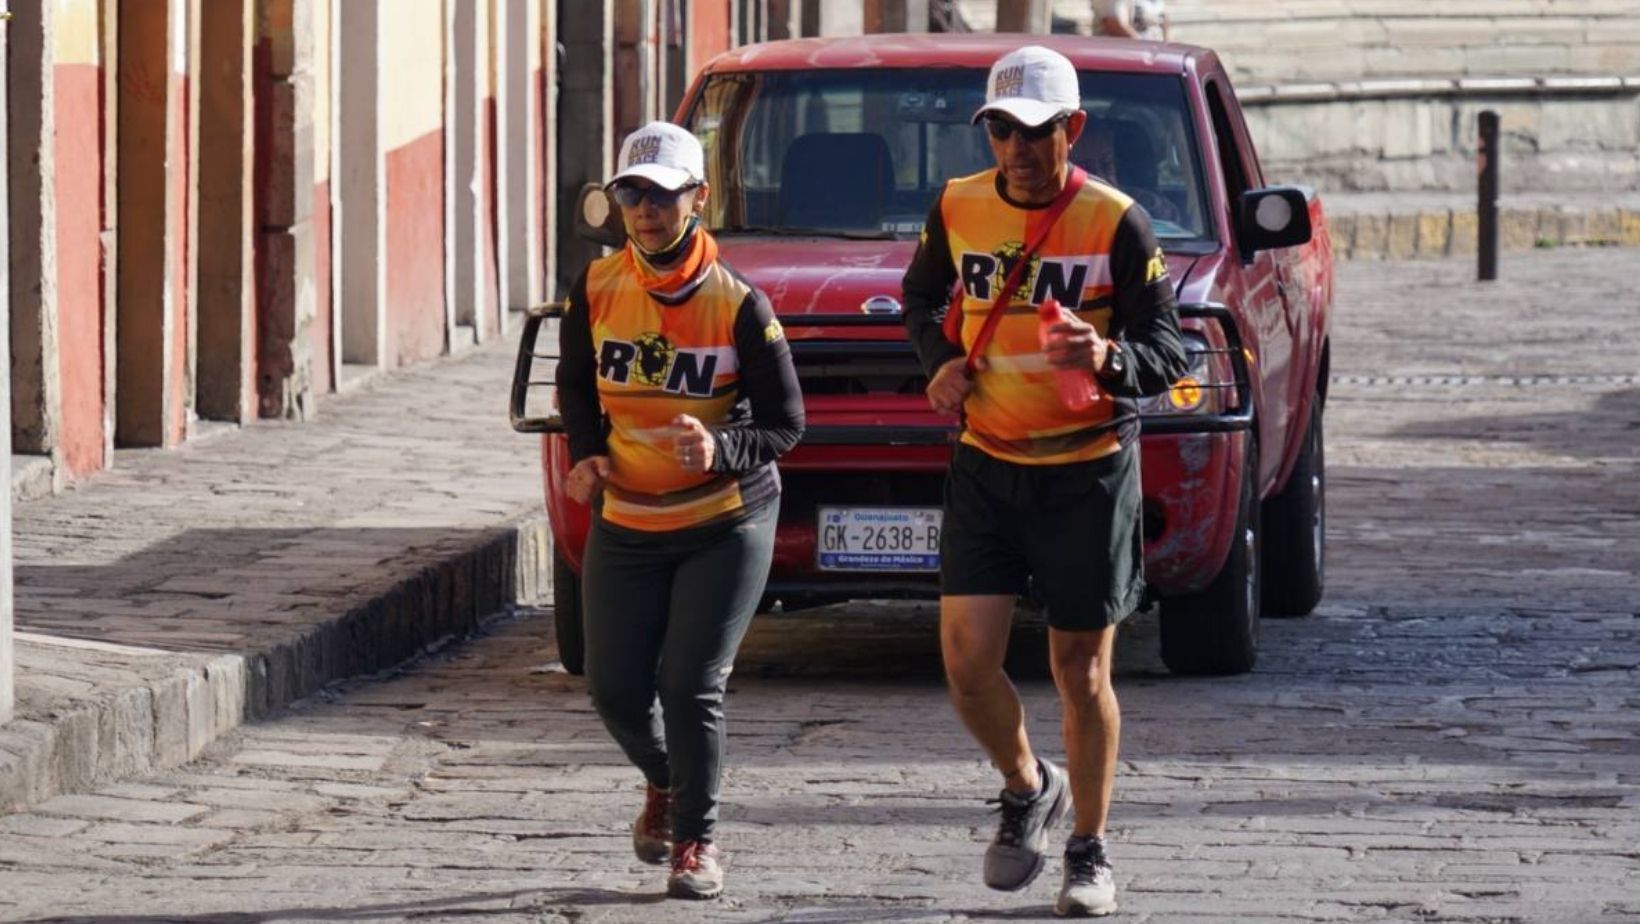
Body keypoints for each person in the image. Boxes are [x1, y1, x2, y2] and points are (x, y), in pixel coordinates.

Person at [900, 45, 1187, 917]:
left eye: (1036, 132)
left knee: (1079, 671)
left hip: (1087, 473)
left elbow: (1169, 350)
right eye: (1001, 130)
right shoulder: (956, 206)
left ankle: (1090, 852)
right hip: (988, 462)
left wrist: (1107, 355)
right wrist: (940, 362)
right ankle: (1028, 784)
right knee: (964, 662)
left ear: (1073, 130)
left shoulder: (1117, 222)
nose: (1018, 149)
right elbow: (919, 299)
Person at [555, 120, 804, 901]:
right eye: (632, 193)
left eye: (664, 195)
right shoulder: (594, 288)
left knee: (690, 683)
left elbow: (786, 424)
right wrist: (587, 455)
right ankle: (665, 783)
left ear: (698, 199)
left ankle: (696, 842)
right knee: (612, 685)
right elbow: (575, 385)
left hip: (724, 519)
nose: (647, 210)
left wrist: (722, 447)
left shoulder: (739, 303)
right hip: (629, 517)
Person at [1070, 118, 1182, 225]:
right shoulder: (1058, 217)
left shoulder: (1142, 203)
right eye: (1086, 169)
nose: (1101, 178)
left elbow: (1169, 220)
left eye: (1106, 165)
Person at [1092, 0, 1168, 41]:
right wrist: (1145, 48)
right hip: (1122, 58)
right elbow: (1114, 25)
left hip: (1155, 55)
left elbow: (1163, 20)